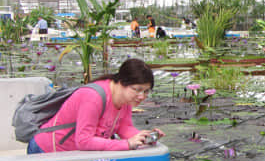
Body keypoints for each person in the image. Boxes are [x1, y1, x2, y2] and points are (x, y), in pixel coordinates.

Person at [27, 58, 164, 154]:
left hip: (74, 154)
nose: (142, 96)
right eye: (138, 89)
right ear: (122, 82)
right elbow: (84, 141)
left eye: (146, 91)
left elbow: (124, 127)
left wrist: (143, 138)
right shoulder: (93, 97)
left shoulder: (126, 100)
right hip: (46, 150)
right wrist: (126, 144)